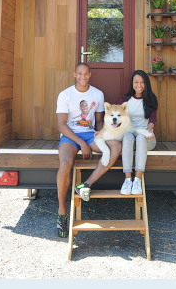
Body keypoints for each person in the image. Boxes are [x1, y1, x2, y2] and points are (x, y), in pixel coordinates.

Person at [54, 62, 122, 238]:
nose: (82, 77)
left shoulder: (98, 94)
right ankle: (62, 212)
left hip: (90, 135)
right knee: (65, 163)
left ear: (90, 75)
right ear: (74, 74)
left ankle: (86, 185)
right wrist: (81, 143)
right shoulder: (65, 95)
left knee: (115, 147)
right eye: (79, 74)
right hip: (70, 136)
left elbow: (98, 121)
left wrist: (103, 133)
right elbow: (61, 125)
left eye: (86, 74)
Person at [118, 70, 158, 195]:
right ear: (132, 83)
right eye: (136, 82)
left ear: (146, 84)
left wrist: (150, 130)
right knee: (128, 137)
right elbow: (117, 117)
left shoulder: (151, 99)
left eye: (142, 82)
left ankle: (138, 180)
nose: (139, 85)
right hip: (129, 136)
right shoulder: (125, 99)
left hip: (146, 137)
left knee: (140, 137)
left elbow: (152, 119)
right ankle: (128, 179)